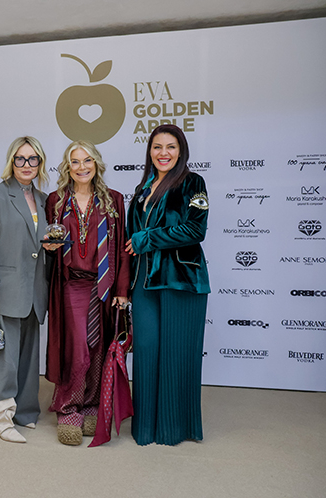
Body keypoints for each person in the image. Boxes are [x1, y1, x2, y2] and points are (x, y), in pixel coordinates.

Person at [124, 124, 210, 446]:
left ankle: (174, 428)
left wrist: (147, 238)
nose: (163, 153)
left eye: (171, 147)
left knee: (176, 354)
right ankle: (145, 427)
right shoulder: (142, 188)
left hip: (180, 281)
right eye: (157, 147)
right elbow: (130, 239)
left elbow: (195, 230)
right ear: (149, 151)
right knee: (146, 352)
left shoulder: (193, 183)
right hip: (144, 282)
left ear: (181, 150)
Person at [44, 140, 130, 446]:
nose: (82, 167)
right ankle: (69, 407)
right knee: (77, 345)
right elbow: (48, 243)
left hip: (104, 285)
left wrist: (122, 289)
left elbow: (123, 248)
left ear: (97, 164)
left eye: (87, 160)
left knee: (98, 345)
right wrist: (49, 247)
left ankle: (92, 403)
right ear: (67, 167)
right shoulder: (56, 200)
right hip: (72, 283)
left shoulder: (114, 200)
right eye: (75, 162)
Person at [0, 136, 51, 443]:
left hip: (34, 290)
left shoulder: (44, 200)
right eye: (20, 158)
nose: (26, 164)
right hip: (3, 290)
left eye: (33, 159)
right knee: (4, 359)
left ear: (40, 163)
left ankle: (24, 412)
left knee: (29, 357)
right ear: (11, 161)